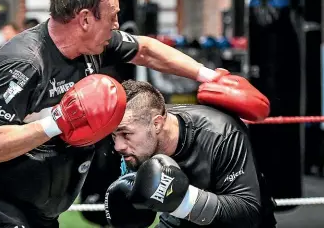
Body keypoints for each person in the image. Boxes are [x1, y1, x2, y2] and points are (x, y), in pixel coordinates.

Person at [0, 0, 269, 228]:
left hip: (36, 203)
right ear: (85, 19)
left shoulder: (93, 45)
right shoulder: (24, 63)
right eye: (113, 17)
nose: (117, 25)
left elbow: (145, 48)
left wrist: (207, 75)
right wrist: (57, 122)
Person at [105, 80, 276, 228]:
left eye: (125, 134)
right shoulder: (140, 133)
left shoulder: (221, 134)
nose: (118, 146)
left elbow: (248, 212)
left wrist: (184, 201)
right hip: (178, 222)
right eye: (113, 135)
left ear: (157, 124)